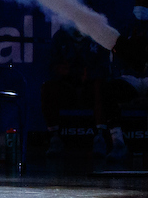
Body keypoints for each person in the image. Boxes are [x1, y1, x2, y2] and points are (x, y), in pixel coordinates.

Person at [41, 23, 110, 157]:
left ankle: (100, 138)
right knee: (48, 87)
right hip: (68, 88)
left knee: (100, 85)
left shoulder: (98, 36)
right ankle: (55, 138)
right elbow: (51, 67)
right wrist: (60, 70)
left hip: (89, 88)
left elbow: (105, 67)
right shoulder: (60, 36)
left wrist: (89, 74)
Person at [105, 0, 148, 160]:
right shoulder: (125, 28)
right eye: (139, 3)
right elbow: (116, 58)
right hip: (129, 78)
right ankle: (118, 144)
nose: (141, 7)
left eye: (145, 4)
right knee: (109, 90)